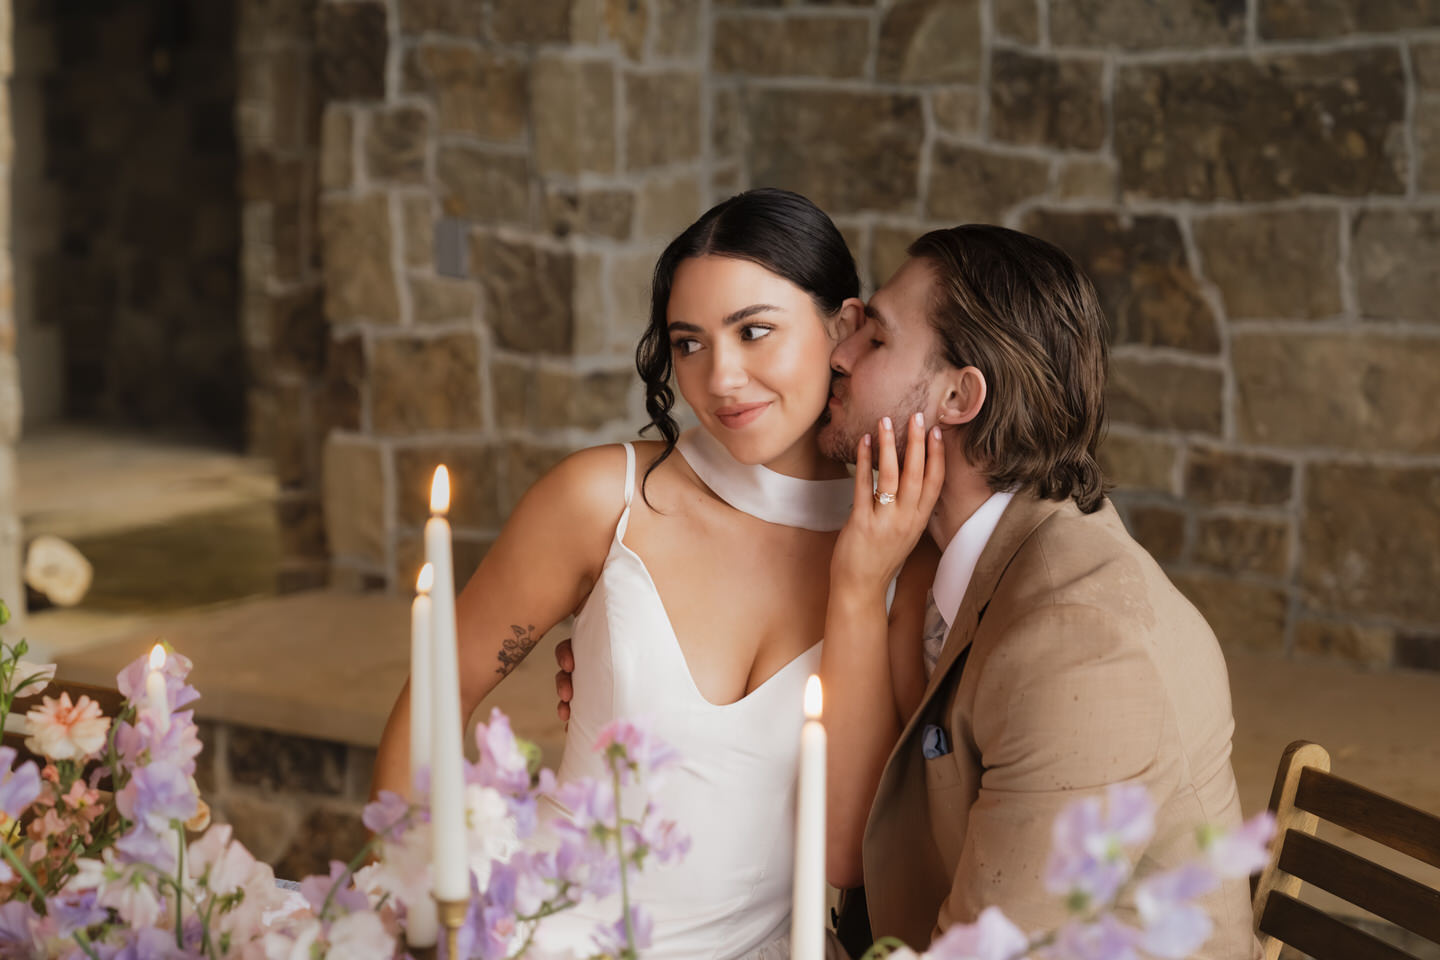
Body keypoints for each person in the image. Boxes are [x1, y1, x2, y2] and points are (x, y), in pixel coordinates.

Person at [558, 224, 1259, 959]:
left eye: (877, 340)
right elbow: (861, 831)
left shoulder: (1083, 648)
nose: (839, 352)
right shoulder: (951, 558)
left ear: (959, 394)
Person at [370, 188, 928, 959]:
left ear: (843, 327)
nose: (721, 378)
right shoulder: (603, 500)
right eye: (689, 343)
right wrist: (414, 910)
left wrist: (866, 579)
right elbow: (439, 690)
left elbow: (852, 848)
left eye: (754, 331)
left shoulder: (900, 558)